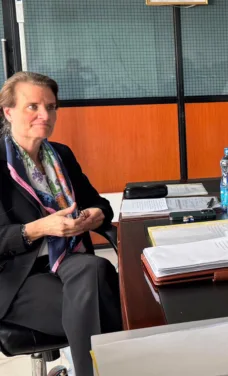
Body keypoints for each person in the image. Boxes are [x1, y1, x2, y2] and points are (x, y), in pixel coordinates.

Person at [0, 72, 122, 376]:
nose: (45, 115)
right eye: (33, 106)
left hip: (70, 263)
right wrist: (39, 228)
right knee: (110, 300)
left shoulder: (61, 155)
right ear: (8, 111)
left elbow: (99, 203)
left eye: (51, 107)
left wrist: (95, 214)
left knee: (92, 270)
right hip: (15, 279)